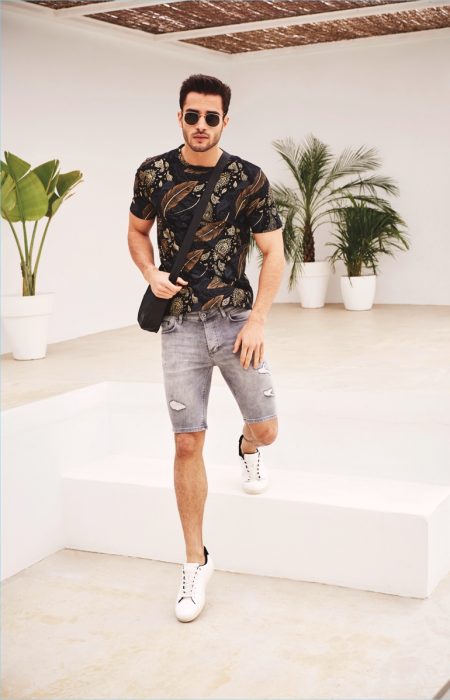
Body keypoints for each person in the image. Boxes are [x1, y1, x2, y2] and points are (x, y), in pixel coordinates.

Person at [128, 74, 285, 622]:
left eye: (210, 118)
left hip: (236, 321)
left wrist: (258, 320)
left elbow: (273, 252)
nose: (200, 125)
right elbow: (137, 232)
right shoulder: (153, 172)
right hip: (179, 326)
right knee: (186, 443)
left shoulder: (248, 178)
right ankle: (195, 561)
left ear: (224, 121)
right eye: (191, 116)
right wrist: (150, 273)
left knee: (268, 429)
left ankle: (248, 446)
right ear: (179, 117)